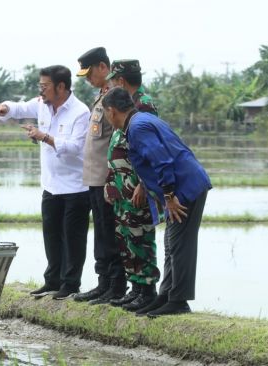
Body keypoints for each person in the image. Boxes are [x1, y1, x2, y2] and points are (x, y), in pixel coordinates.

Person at [101, 87, 211, 317]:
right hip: (180, 188)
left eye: (104, 112)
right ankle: (167, 295)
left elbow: (162, 162)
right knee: (171, 243)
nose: (105, 117)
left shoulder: (138, 127)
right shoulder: (139, 121)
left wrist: (170, 197)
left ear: (112, 111)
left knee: (181, 245)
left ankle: (179, 300)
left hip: (184, 190)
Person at [0, 65, 90, 300]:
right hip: (51, 185)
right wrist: (5, 107)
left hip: (77, 187)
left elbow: (76, 148)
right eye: (40, 86)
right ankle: (52, 281)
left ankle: (70, 284)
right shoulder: (42, 105)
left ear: (61, 86)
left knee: (73, 238)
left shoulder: (81, 112)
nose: (41, 90)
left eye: (45, 86)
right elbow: (20, 108)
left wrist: (44, 137)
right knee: (51, 235)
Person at [103, 60, 161, 312]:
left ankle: (147, 289)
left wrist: (142, 184)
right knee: (127, 238)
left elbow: (146, 149)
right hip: (122, 187)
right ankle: (135, 287)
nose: (112, 86)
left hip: (136, 188)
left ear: (122, 81)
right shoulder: (125, 104)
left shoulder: (143, 106)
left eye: (114, 81)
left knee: (141, 237)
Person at [71, 47, 127, 305]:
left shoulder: (115, 98)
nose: (87, 78)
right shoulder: (101, 96)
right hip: (94, 178)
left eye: (90, 72)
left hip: (106, 178)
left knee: (109, 233)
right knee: (101, 233)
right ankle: (103, 282)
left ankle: (115, 286)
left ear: (103, 67)